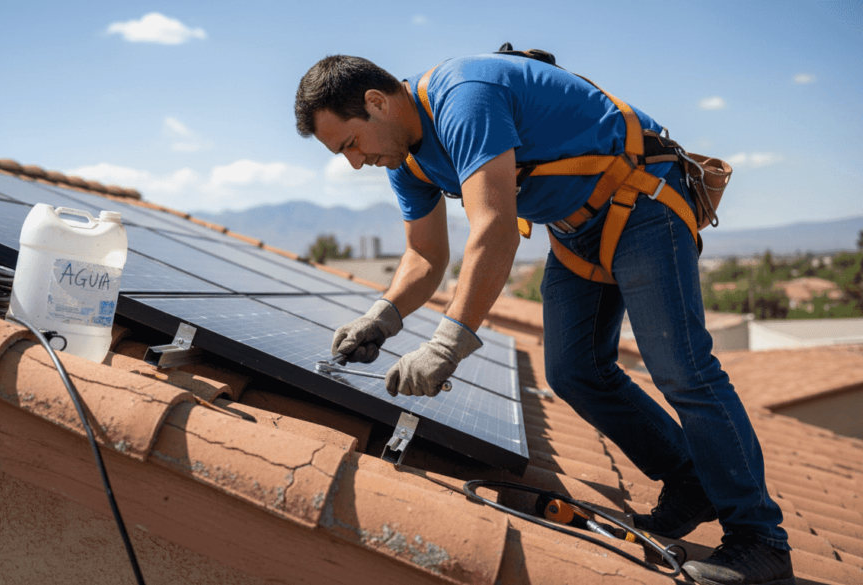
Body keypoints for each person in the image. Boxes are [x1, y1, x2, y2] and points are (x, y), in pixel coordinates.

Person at [294, 52, 795, 585]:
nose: (353, 162)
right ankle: (690, 479)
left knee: (682, 369)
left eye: (350, 143)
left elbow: (495, 230)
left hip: (642, 196)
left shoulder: (463, 98)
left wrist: (447, 345)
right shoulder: (406, 160)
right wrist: (382, 317)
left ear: (376, 103)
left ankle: (761, 540)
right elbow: (425, 257)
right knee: (575, 369)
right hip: (577, 228)